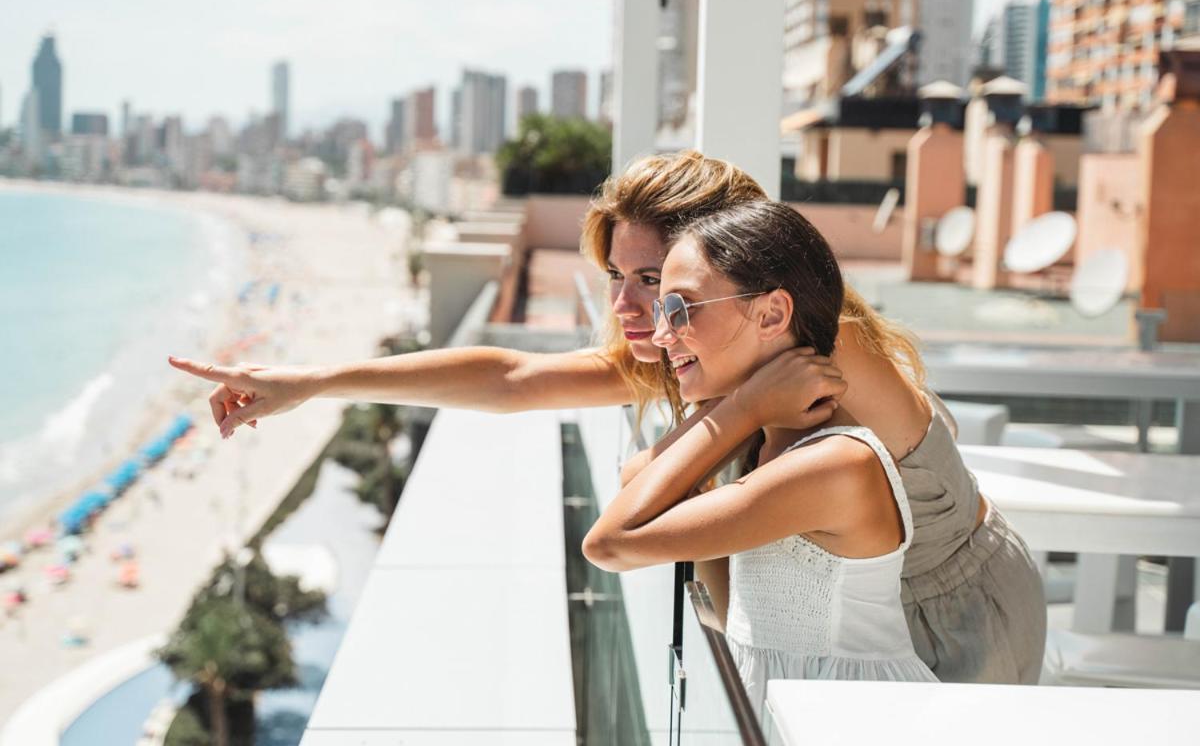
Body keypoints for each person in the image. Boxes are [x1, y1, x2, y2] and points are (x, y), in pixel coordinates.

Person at [169, 149, 1045, 683]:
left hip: (949, 616)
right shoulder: (713, 351)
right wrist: (316, 381)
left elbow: (630, 524)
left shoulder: (814, 343)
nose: (632, 310)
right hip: (822, 629)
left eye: (657, 282)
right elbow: (513, 376)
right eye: (617, 280)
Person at [583, 199, 938, 733]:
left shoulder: (835, 464)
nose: (661, 335)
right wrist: (745, 410)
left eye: (680, 309)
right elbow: (638, 481)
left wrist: (744, 407)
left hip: (852, 724)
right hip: (781, 717)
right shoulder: (769, 448)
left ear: (771, 313)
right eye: (661, 312)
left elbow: (610, 542)